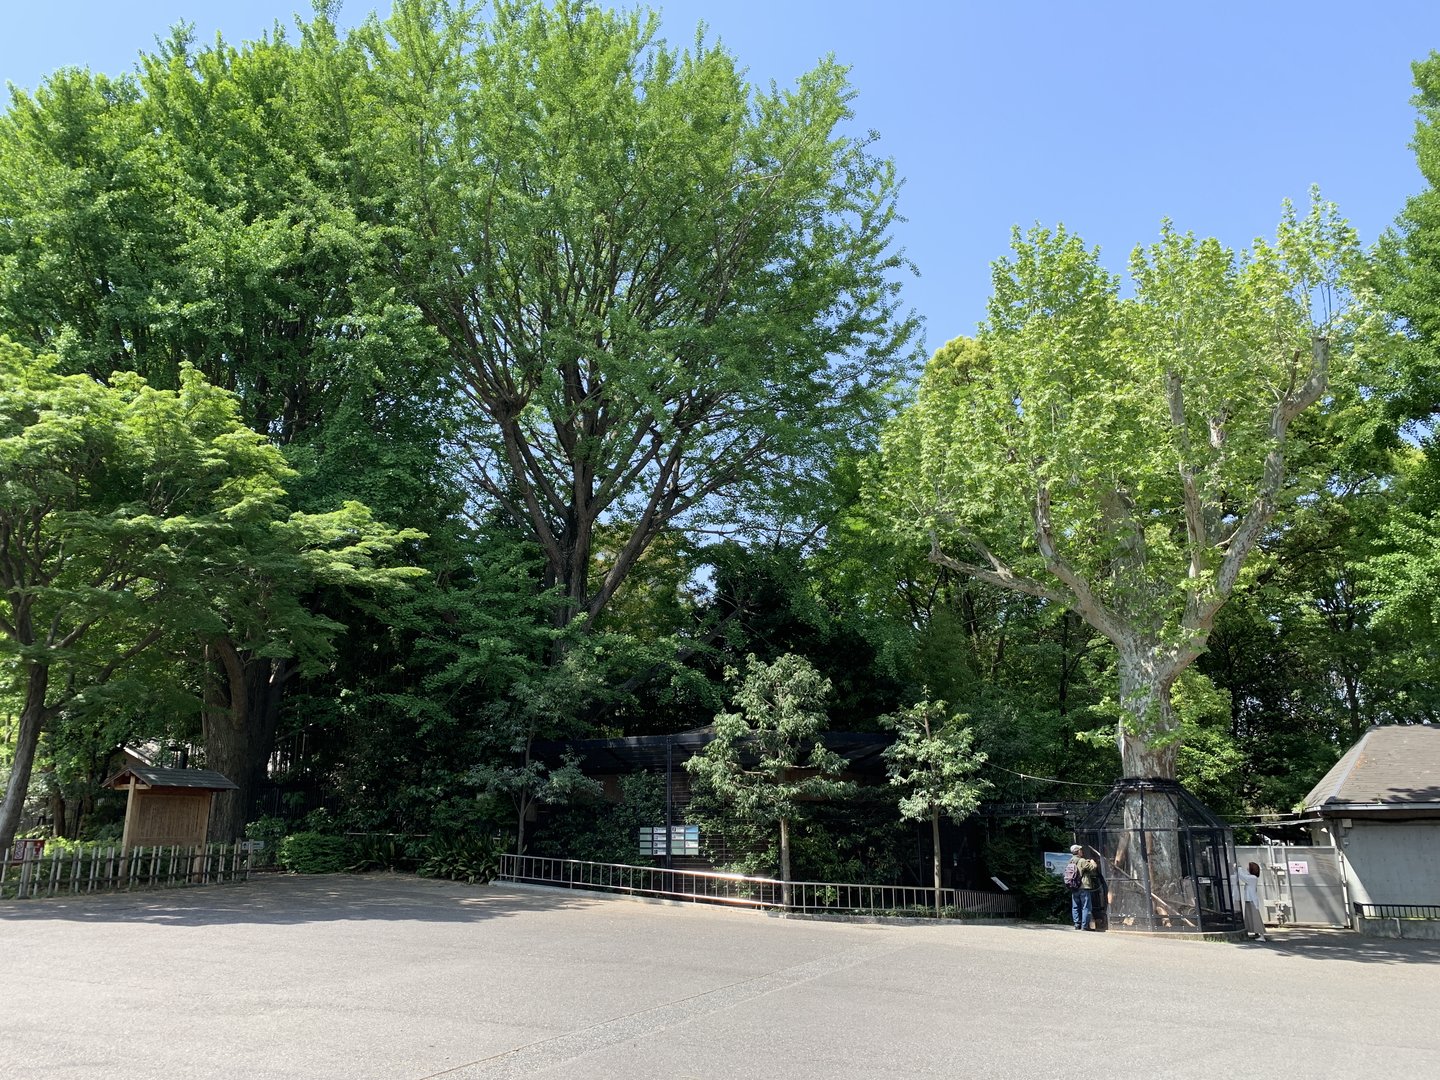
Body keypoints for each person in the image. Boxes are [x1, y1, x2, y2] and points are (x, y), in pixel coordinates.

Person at [1067, 843, 1099, 931]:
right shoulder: (1082, 861)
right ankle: (1085, 926)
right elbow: (1093, 868)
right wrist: (1092, 862)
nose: (1082, 851)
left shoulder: (1070, 861)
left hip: (1074, 886)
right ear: (1078, 851)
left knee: (1075, 906)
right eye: (1080, 850)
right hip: (1083, 886)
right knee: (1086, 907)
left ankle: (1077, 924)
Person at [1237, 860, 1267, 941]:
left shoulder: (1253, 878)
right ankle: (1256, 932)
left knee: (1255, 917)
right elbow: (1244, 875)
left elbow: (1242, 876)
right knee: (1250, 917)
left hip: (1252, 900)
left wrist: (1239, 867)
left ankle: (1262, 936)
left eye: (1248, 866)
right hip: (1249, 899)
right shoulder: (1251, 877)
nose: (1247, 867)